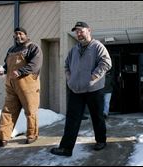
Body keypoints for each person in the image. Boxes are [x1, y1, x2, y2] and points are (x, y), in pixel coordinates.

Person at [50, 21, 112, 157]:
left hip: (93, 90)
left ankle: (101, 141)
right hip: (76, 90)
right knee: (72, 119)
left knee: (97, 117)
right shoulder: (74, 49)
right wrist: (69, 79)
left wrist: (94, 76)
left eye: (81, 30)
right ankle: (66, 148)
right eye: (76, 31)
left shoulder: (97, 46)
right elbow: (66, 65)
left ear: (89, 30)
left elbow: (106, 62)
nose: (78, 34)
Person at [0, 27, 43, 147]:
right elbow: (6, 64)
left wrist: (20, 71)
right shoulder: (12, 49)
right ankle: (1, 138)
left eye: (21, 34)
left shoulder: (33, 47)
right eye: (16, 34)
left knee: (30, 110)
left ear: (26, 35)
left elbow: (35, 65)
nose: (18, 36)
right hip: (11, 85)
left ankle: (32, 135)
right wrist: (3, 70)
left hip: (28, 85)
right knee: (7, 111)